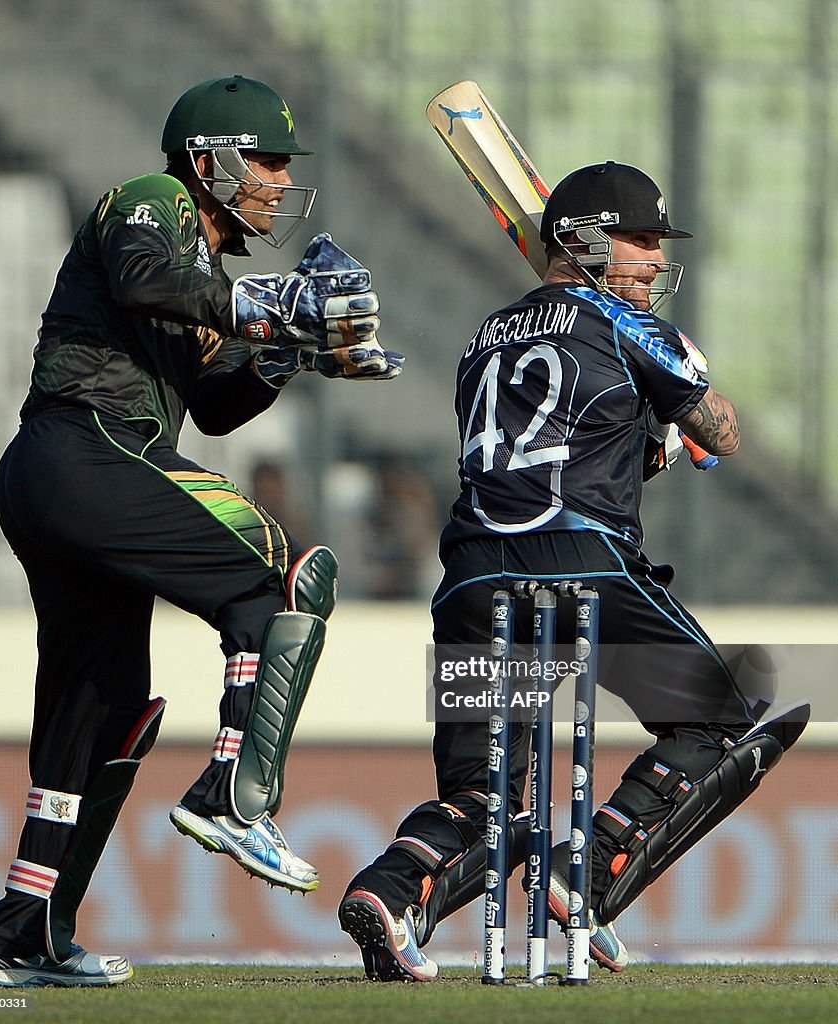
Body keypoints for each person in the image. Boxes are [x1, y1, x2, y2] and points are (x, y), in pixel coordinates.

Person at [0, 74, 403, 988]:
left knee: (104, 710)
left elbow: (213, 407)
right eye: (267, 159)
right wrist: (273, 306)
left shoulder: (208, 273)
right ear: (210, 159)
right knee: (281, 572)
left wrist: (292, 351)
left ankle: (25, 930)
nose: (279, 181)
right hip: (80, 446)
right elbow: (140, 278)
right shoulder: (152, 199)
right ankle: (232, 793)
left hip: (76, 475)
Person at [338, 161, 808, 981]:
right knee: (726, 715)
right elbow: (723, 433)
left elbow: (553, 456)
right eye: (640, 241)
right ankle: (580, 875)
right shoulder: (631, 329)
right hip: (581, 562)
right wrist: (688, 379)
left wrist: (650, 439)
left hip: (471, 580)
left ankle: (392, 890)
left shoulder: (481, 339)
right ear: (580, 239)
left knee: (491, 798)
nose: (655, 262)